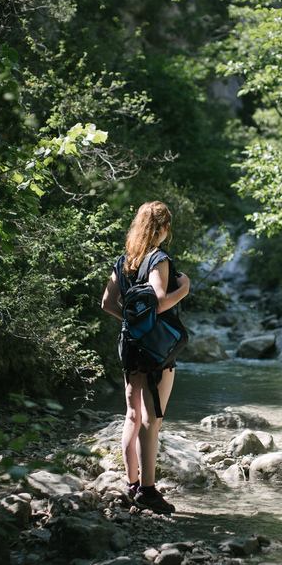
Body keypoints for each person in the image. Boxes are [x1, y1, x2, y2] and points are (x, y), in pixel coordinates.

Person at [100, 201, 190, 514]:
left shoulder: (124, 260)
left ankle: (132, 483)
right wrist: (184, 289)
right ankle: (149, 491)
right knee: (153, 419)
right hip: (156, 348)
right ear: (162, 228)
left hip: (130, 344)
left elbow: (107, 303)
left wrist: (131, 323)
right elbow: (161, 303)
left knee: (132, 416)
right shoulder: (159, 259)